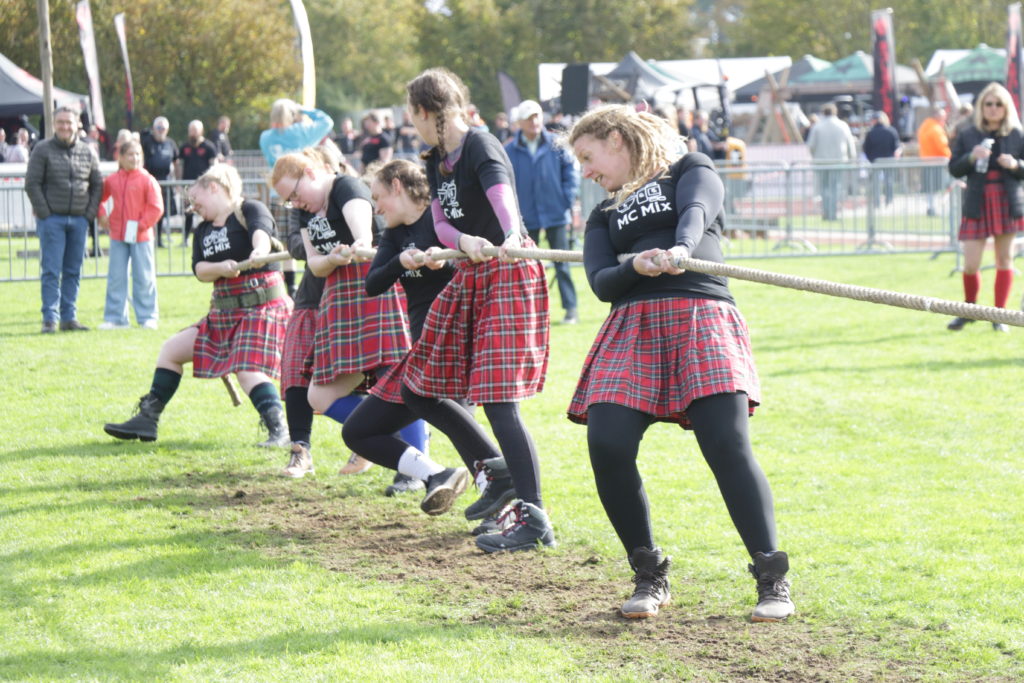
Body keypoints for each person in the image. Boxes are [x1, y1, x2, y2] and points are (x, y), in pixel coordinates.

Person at [566, 104, 794, 622]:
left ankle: (771, 579)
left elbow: (698, 210)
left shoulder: (690, 166)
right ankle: (649, 573)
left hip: (701, 313)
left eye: (588, 156)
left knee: (726, 445)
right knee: (607, 443)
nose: (586, 171)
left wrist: (681, 249)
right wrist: (636, 265)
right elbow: (600, 281)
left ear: (617, 139)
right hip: (633, 325)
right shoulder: (602, 214)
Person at [373, 67, 553, 552]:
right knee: (419, 386)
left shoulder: (480, 145)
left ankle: (534, 517)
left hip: (507, 269)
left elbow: (502, 196)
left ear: (426, 111)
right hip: (473, 272)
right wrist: (464, 239)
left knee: (499, 401)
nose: (411, 125)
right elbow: (441, 221)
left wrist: (507, 237)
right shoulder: (436, 159)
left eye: (412, 115)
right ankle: (494, 473)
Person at [343, 159, 503, 510]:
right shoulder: (395, 234)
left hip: (460, 340)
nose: (376, 208)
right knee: (358, 432)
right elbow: (373, 283)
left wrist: (447, 260)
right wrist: (401, 261)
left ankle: (504, 498)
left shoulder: (441, 219)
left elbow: (477, 258)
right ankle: (437, 474)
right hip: (425, 348)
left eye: (378, 197)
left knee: (461, 423)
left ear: (397, 186)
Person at [103, 164, 292, 445]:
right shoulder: (202, 229)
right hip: (224, 312)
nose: (193, 206)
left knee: (247, 369)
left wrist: (259, 252)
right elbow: (200, 269)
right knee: (171, 351)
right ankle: (147, 420)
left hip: (261, 308)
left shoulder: (249, 209)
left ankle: (279, 429)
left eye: (195, 199)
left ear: (213, 187)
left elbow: (261, 233)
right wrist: (220, 268)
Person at [269, 149, 411, 476]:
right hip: (330, 292)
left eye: (295, 194)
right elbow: (311, 259)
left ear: (310, 172)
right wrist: (332, 259)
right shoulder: (306, 211)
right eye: (289, 200)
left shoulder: (346, 186)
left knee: (392, 372)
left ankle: (409, 460)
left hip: (372, 286)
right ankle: (375, 440)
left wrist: (353, 248)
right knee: (304, 378)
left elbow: (364, 238)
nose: (295, 203)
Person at [946, 82, 1024, 333]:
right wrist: (971, 157)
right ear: (981, 106)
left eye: (998, 104)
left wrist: (1015, 164)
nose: (993, 108)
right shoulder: (968, 133)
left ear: (1006, 107)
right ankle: (969, 311)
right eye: (988, 104)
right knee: (970, 263)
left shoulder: (1017, 134)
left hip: (1006, 200)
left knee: (1004, 259)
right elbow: (954, 168)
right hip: (976, 200)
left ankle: (999, 315)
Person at [24, 106, 102, 334]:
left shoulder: (87, 151)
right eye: (60, 122)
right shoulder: (42, 149)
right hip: (52, 220)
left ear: (77, 124)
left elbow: (97, 184)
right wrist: (45, 213)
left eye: (69, 122)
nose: (65, 126)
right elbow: (32, 183)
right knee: (51, 271)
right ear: (54, 124)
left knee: (73, 271)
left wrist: (88, 215)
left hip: (79, 220)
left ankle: (69, 317)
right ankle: (50, 318)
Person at [505, 99, 581, 324]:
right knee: (526, 267)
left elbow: (571, 174)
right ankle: (529, 313)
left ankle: (571, 310)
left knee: (562, 264)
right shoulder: (509, 150)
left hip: (555, 213)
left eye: (537, 116)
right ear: (519, 122)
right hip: (526, 218)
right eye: (529, 118)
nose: (534, 121)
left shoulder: (557, 144)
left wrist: (565, 201)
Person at [259, 99, 335, 298]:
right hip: (304, 192)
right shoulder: (300, 132)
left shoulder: (265, 137)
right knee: (310, 237)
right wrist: (304, 110)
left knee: (286, 242)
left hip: (278, 195)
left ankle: (290, 286)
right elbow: (327, 121)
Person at [96, 139, 164, 330]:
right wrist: (102, 215)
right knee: (116, 277)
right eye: (130, 154)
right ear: (121, 157)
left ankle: (148, 317)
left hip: (142, 237)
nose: (135, 158)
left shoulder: (147, 180)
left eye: (138, 154)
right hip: (118, 235)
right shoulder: (112, 180)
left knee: (144, 277)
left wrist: (141, 225)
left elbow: (156, 207)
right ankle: (115, 318)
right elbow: (99, 198)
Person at [807, 102, 857, 221]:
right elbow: (850, 144)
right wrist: (852, 159)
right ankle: (833, 212)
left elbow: (811, 145)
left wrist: (815, 157)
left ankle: (826, 211)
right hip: (838, 161)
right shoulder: (843, 125)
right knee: (836, 187)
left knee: (824, 188)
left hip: (821, 162)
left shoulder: (817, 126)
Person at [176, 120, 219, 246]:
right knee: (188, 213)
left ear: (201, 131)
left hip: (204, 187)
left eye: (195, 130)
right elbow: (179, 165)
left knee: (207, 212)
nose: (192, 133)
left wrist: (212, 181)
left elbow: (214, 165)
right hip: (188, 187)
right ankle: (185, 239)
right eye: (191, 130)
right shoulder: (184, 147)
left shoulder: (209, 146)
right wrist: (178, 182)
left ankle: (209, 238)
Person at [141, 116, 178, 248]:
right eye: (158, 127)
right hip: (148, 182)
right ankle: (148, 237)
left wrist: (177, 180)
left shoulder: (171, 143)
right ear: (154, 128)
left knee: (161, 212)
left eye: (163, 128)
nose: (161, 130)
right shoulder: (146, 142)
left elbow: (176, 162)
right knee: (148, 211)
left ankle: (159, 239)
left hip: (165, 183)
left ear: (167, 129)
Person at [916, 105, 952, 217]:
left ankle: (931, 207)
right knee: (944, 186)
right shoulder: (936, 129)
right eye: (943, 118)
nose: (945, 120)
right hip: (938, 162)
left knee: (930, 188)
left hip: (926, 161)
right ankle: (937, 208)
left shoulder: (924, 126)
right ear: (939, 117)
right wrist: (951, 157)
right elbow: (942, 146)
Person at [862, 111, 902, 207]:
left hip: (875, 161)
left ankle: (877, 202)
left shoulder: (870, 133)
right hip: (889, 160)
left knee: (875, 182)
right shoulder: (891, 131)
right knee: (889, 181)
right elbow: (896, 146)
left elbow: (866, 148)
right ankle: (889, 201)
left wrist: (871, 159)